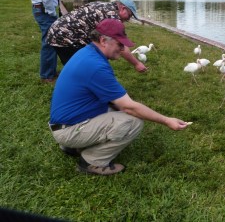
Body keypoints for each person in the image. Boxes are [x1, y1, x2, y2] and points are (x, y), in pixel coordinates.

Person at [49, 18, 189, 175]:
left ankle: (74, 146)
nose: (122, 49)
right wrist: (167, 120)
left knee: (118, 108)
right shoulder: (95, 66)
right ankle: (91, 161)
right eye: (119, 44)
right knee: (133, 121)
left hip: (65, 124)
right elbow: (129, 107)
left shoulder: (88, 53)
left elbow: (112, 99)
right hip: (67, 130)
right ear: (103, 40)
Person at [46, 0, 147, 72]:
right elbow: (120, 45)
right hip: (64, 36)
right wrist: (136, 63)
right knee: (81, 70)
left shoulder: (104, 5)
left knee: (84, 64)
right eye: (129, 15)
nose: (128, 19)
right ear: (122, 8)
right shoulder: (112, 16)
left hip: (57, 30)